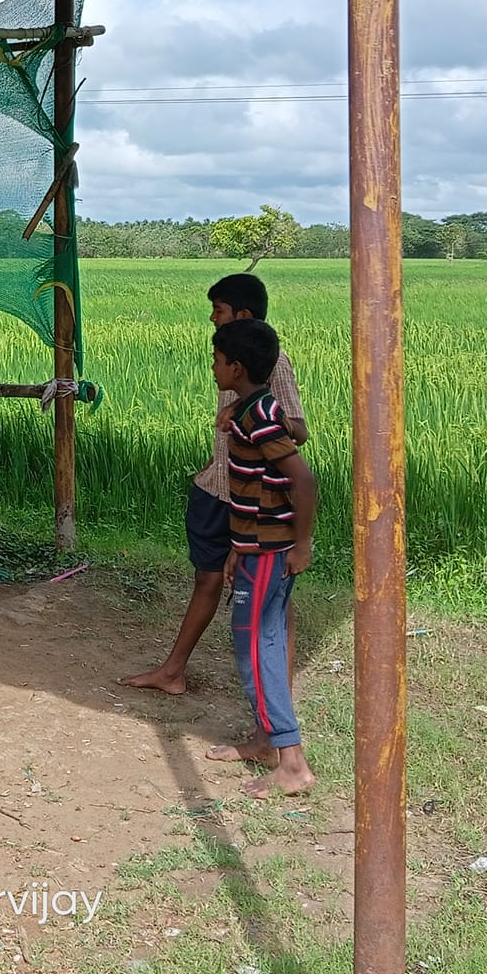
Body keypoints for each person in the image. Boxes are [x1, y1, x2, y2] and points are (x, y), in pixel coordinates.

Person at [121, 272, 306, 696]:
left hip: (256, 497)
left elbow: (298, 430)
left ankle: (279, 690)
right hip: (218, 488)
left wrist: (244, 408)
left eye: (218, 311)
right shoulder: (228, 357)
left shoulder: (271, 363)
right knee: (207, 579)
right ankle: (173, 672)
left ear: (241, 315)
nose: (211, 318)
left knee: (275, 599)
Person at [201, 317, 317, 797]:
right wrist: (236, 548)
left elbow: (303, 482)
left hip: (271, 552)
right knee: (260, 643)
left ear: (236, 367)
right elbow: (253, 491)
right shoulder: (252, 408)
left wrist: (302, 543)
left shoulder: (259, 418)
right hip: (256, 548)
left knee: (256, 649)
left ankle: (291, 761)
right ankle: (265, 742)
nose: (212, 367)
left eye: (216, 360)